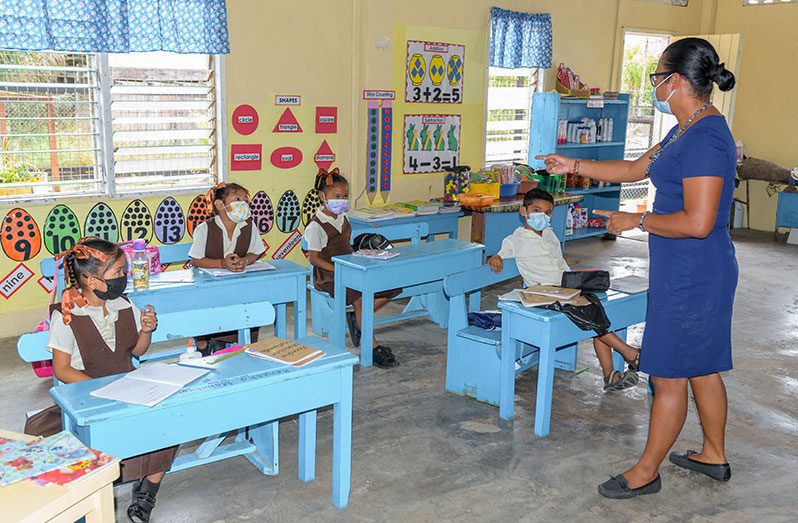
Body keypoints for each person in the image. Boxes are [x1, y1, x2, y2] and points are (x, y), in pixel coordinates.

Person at [537, 37, 738, 499]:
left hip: (695, 273)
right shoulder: (685, 128)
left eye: (657, 78)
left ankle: (646, 472)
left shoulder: (706, 137)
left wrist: (637, 220)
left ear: (679, 81)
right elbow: (632, 171)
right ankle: (713, 454)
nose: (654, 87)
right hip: (687, 269)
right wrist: (573, 163)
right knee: (703, 367)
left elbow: (699, 221)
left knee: (667, 374)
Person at [24, 237, 174, 523]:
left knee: (168, 422)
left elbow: (136, 353)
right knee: (63, 443)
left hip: (126, 389)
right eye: (118, 273)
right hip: (86, 395)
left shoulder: (123, 305)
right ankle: (91, 493)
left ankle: (147, 490)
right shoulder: (67, 315)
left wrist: (145, 331)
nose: (124, 278)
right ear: (92, 281)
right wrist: (101, 389)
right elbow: (62, 370)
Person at [487, 188, 641, 390]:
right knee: (588, 314)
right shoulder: (516, 239)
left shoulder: (550, 234)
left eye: (548, 212)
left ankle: (610, 375)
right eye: (536, 210)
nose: (542, 215)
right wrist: (496, 258)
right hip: (542, 294)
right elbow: (500, 254)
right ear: (523, 212)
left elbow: (560, 264)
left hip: (564, 288)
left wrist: (576, 282)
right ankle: (630, 354)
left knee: (596, 308)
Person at [304, 168, 401, 368]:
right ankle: (372, 347)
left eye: (345, 196)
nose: (341, 200)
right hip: (328, 276)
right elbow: (314, 258)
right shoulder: (316, 225)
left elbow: (345, 246)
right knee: (359, 298)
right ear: (323, 196)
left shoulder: (343, 217)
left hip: (350, 268)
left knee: (391, 286)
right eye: (336, 196)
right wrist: (337, 269)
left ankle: (359, 321)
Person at [189, 182, 266, 354]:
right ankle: (207, 343)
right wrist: (223, 264)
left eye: (245, 200)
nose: (243, 204)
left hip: (238, 283)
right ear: (219, 204)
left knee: (252, 301)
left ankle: (244, 342)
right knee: (210, 305)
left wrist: (244, 261)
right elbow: (196, 259)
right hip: (210, 286)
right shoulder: (205, 229)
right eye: (238, 199)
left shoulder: (249, 226)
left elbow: (256, 252)